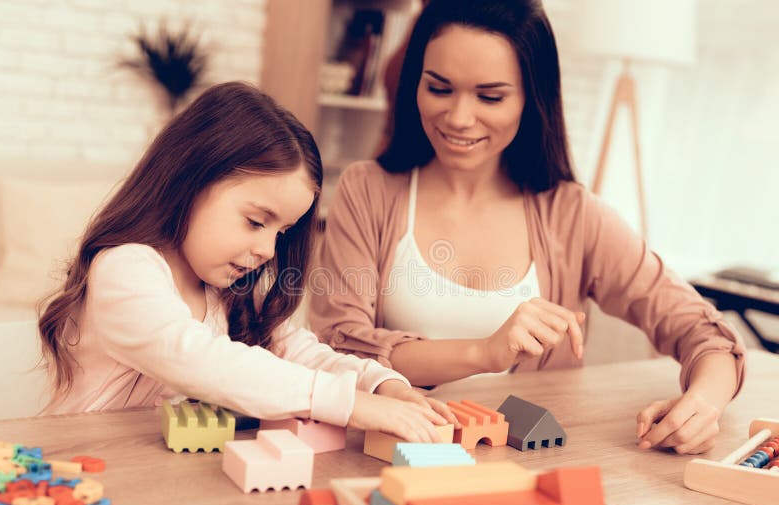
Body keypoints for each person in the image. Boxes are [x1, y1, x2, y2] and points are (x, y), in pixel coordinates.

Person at [309, 0, 746, 454]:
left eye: (490, 97)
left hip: (527, 471)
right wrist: (484, 352)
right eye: (439, 88)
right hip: (388, 461)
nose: (458, 118)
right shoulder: (368, 190)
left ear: (530, 99)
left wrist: (703, 403)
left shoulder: (572, 215)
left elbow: (704, 331)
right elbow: (341, 350)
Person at [37, 81, 456, 443]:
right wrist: (349, 405)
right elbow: (201, 360)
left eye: (282, 232)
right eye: (256, 221)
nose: (269, 250)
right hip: (77, 474)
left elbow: (300, 351)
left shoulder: (230, 289)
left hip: (157, 480)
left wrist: (380, 385)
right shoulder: (124, 271)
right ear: (191, 179)